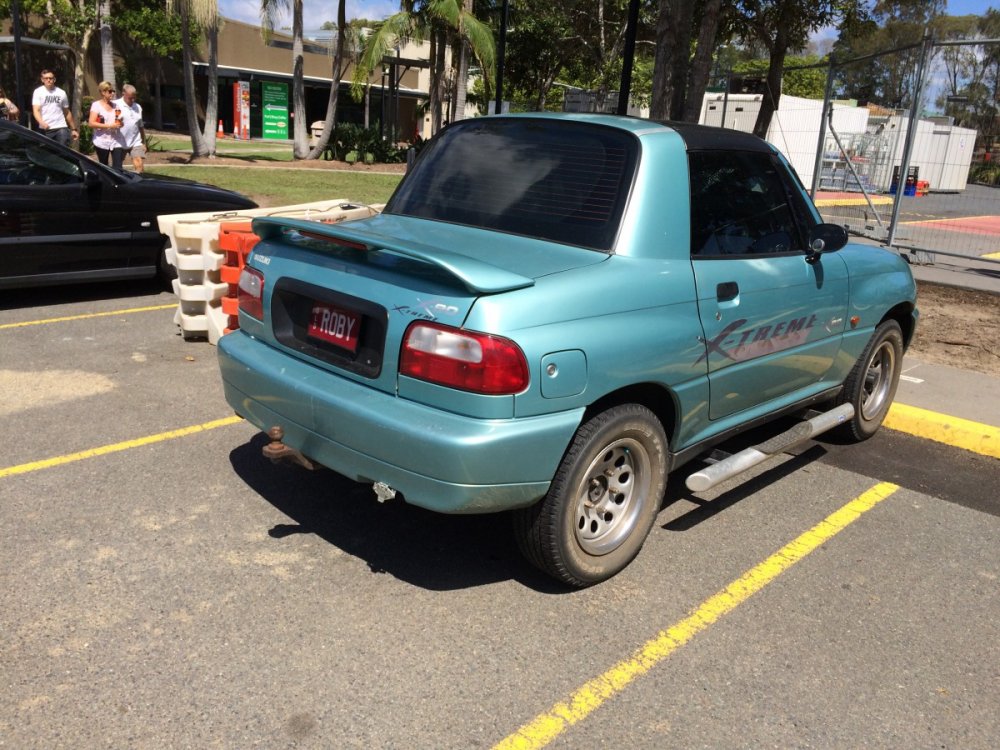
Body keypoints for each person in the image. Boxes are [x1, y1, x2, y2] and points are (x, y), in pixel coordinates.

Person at [31, 69, 78, 146]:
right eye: (46, 78)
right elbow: (36, 110)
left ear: (54, 79)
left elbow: (66, 112)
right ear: (42, 80)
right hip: (45, 129)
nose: (49, 80)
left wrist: (73, 129)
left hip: (60, 127)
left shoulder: (61, 93)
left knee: (62, 153)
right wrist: (41, 122)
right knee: (45, 153)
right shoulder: (38, 92)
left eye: (51, 78)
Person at [88, 81, 125, 169]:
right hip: (102, 141)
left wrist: (120, 123)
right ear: (103, 92)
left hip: (116, 140)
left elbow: (119, 121)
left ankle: (118, 182)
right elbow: (91, 123)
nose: (112, 93)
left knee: (118, 167)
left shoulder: (116, 105)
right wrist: (110, 126)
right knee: (104, 166)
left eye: (113, 91)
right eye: (110, 91)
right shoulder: (96, 105)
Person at [115, 84, 146, 173]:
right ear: (123, 93)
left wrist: (143, 142)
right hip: (119, 142)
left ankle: (139, 184)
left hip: (135, 141)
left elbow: (140, 126)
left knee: (139, 165)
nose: (132, 100)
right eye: (130, 98)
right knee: (117, 168)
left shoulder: (138, 107)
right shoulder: (116, 105)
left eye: (134, 98)